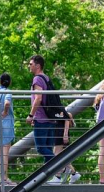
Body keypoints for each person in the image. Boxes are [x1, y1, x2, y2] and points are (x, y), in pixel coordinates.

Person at [25, 55, 59, 184]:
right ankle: (46, 178)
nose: (29, 66)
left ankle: (64, 166)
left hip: (41, 119)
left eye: (30, 64)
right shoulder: (46, 78)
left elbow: (38, 98)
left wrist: (31, 115)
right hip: (50, 119)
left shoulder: (37, 79)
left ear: (37, 65)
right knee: (48, 150)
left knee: (40, 148)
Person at [53, 111, 81, 184]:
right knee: (60, 156)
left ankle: (58, 176)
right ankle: (73, 172)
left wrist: (65, 135)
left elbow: (67, 122)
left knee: (56, 156)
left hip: (61, 136)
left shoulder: (62, 112)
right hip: (58, 135)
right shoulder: (54, 112)